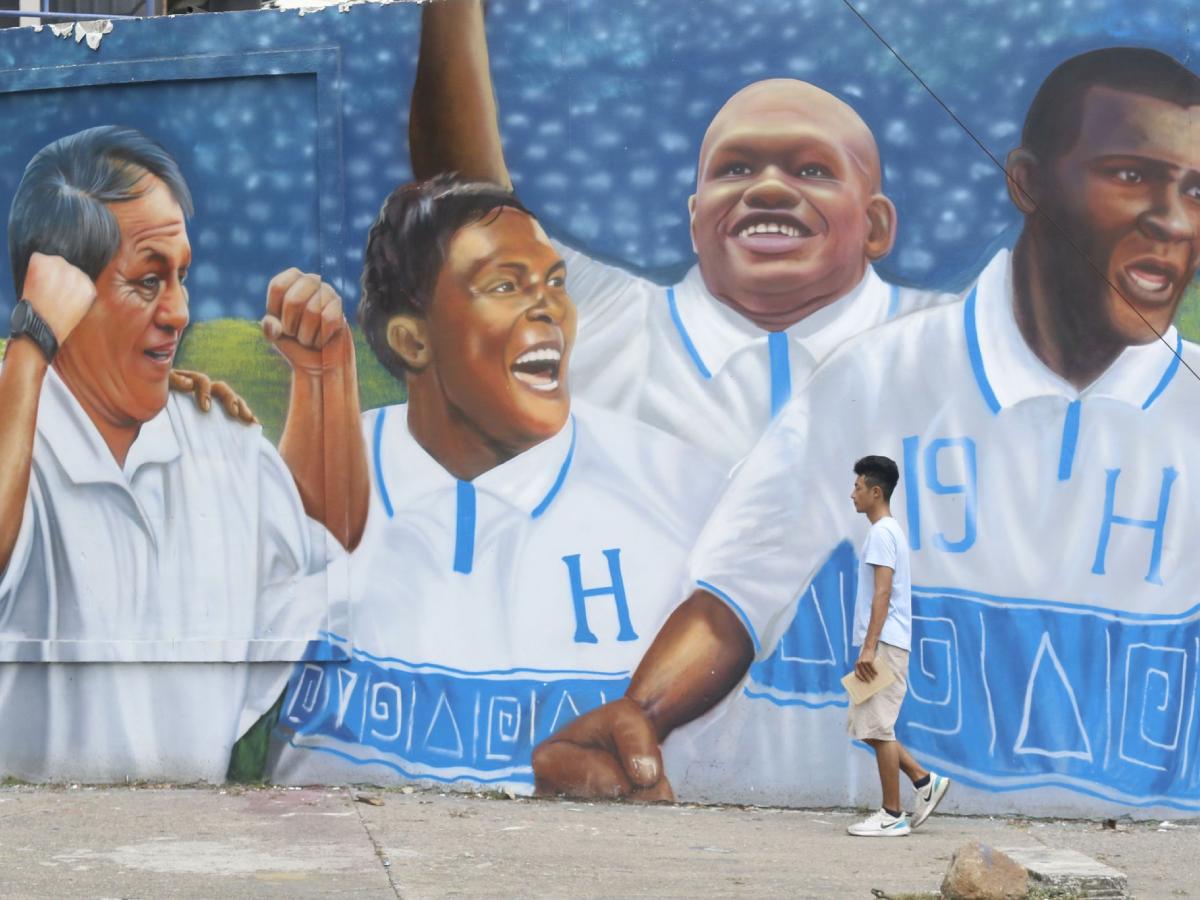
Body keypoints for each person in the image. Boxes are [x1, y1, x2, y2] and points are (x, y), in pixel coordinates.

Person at [531, 47, 1200, 811]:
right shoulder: (878, 377)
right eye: (1130, 174)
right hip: (902, 861)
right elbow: (736, 597)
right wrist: (640, 715)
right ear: (1028, 183)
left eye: (1197, 188)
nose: (1173, 220)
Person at [264, 177, 724, 794]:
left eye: (555, 283)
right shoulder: (319, 475)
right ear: (412, 339)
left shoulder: (674, 491)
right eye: (506, 286)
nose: (548, 309)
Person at [408, 0, 952, 469]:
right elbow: (469, 208)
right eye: (734, 169)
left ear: (876, 226)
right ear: (696, 221)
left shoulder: (956, 338)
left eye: (811, 169)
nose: (766, 189)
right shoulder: (614, 329)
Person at [0, 125, 356, 782]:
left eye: (182, 277)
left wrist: (319, 380)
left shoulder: (214, 435)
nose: (180, 312)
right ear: (60, 292)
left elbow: (315, 558)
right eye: (148, 281)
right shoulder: (20, 448)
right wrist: (29, 344)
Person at [844, 456, 949, 836]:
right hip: (885, 642)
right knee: (867, 725)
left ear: (876, 491)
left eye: (857, 487)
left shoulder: (882, 533)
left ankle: (892, 814)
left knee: (879, 728)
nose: (852, 493)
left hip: (885, 644)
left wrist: (869, 648)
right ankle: (923, 781)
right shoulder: (886, 531)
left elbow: (882, 593)